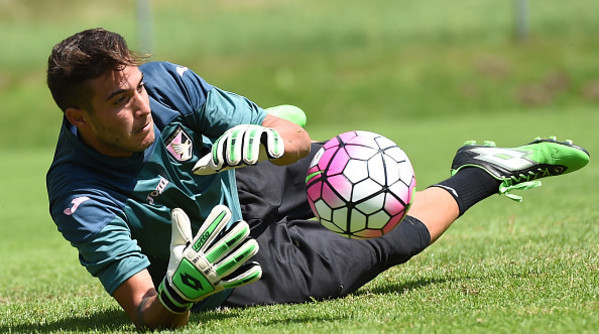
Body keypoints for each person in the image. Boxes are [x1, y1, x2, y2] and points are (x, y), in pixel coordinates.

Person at [46, 28, 590, 330]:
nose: (143, 106)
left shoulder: (165, 87)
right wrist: (182, 290)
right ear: (78, 118)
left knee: (351, 171)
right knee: (379, 237)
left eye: (139, 87)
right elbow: (146, 313)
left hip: (240, 174)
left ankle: (251, 131)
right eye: (120, 101)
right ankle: (480, 173)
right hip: (227, 261)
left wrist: (275, 137)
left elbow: (289, 136)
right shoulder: (79, 195)